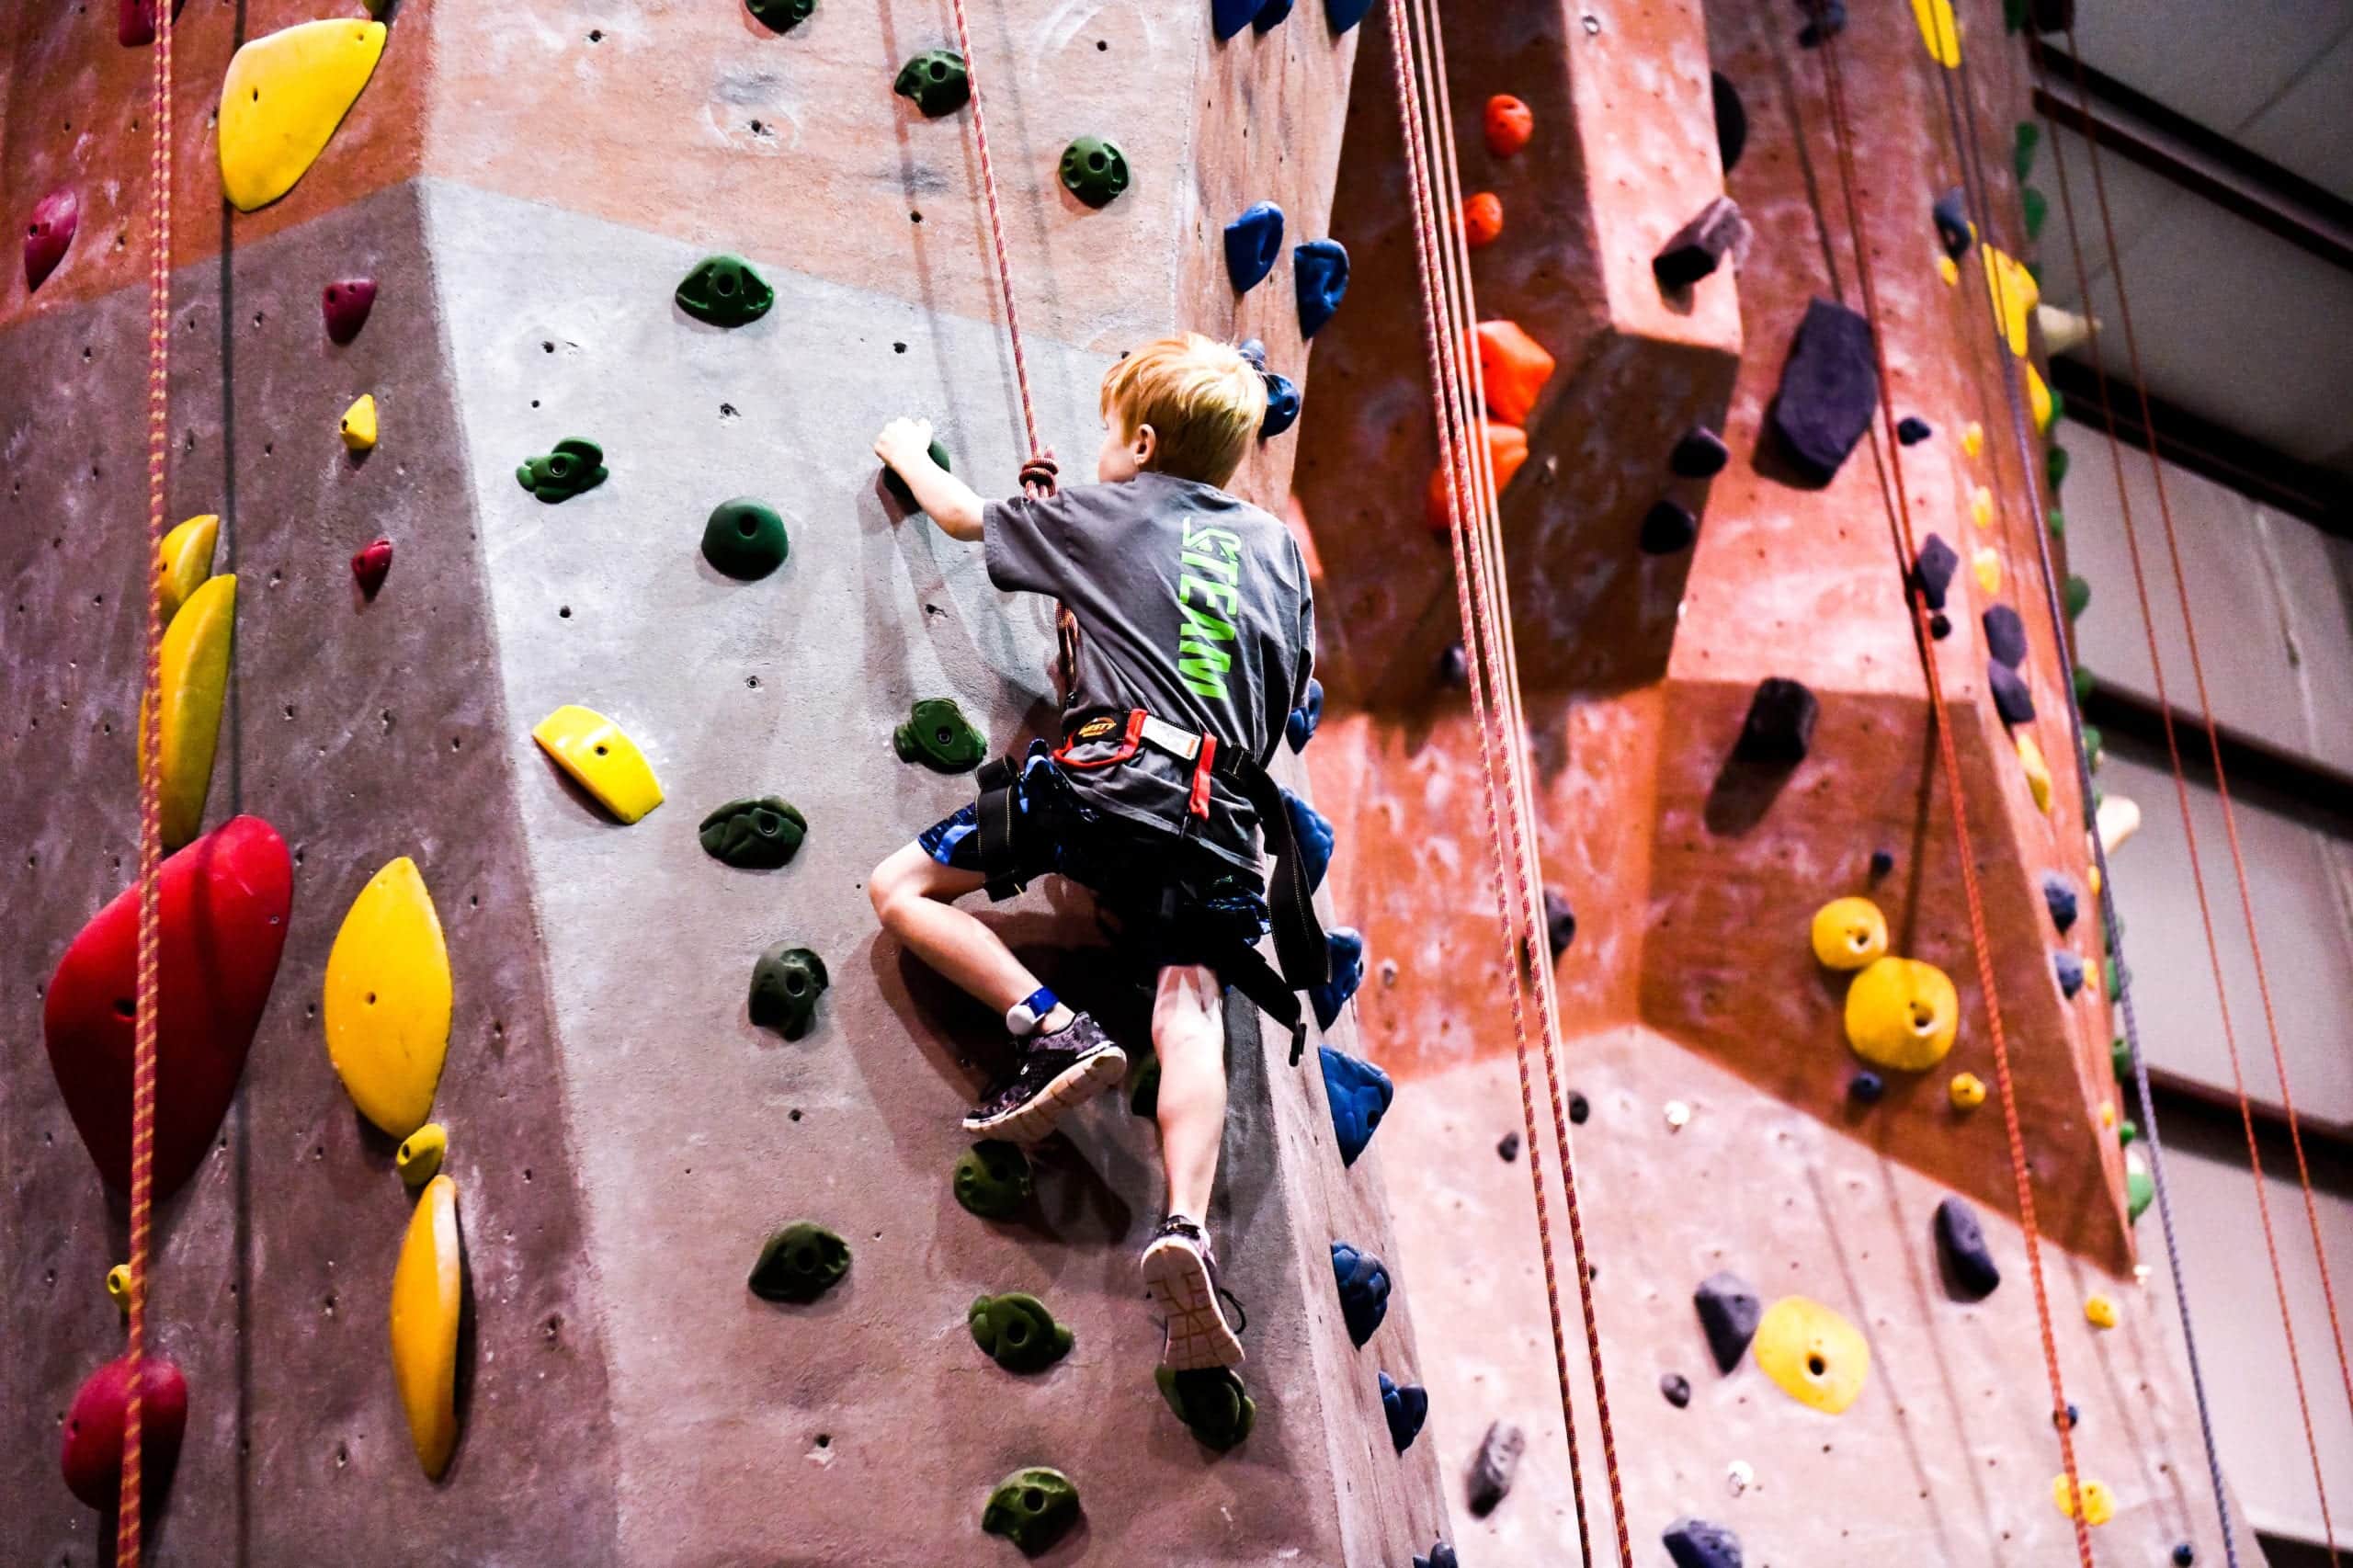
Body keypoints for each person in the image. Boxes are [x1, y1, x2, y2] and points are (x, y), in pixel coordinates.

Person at [868, 334, 1320, 1371]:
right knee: (1190, 1001)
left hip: (1107, 781)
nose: (1101, 449)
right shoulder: (1278, 551)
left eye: (1110, 433)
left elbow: (959, 514)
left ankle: (1053, 1029)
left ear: (1142, 442)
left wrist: (907, 450)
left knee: (901, 887)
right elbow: (1284, 679)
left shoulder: (1107, 510)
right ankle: (1187, 1223)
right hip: (1219, 823)